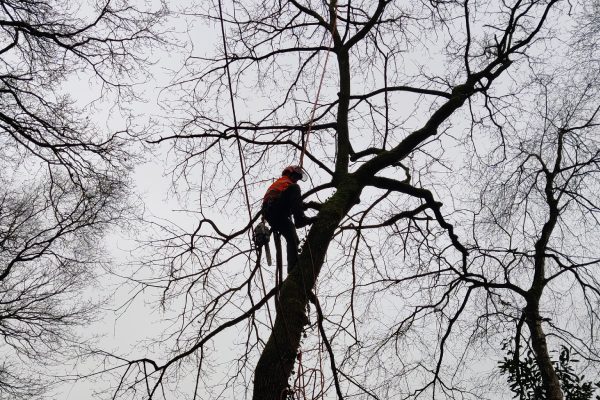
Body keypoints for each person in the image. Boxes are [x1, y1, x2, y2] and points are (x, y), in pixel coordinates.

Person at [262, 165, 315, 272]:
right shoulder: (285, 181)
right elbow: (290, 198)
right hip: (273, 207)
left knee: (293, 238)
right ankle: (300, 219)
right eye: (296, 177)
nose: (296, 181)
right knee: (295, 188)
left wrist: (305, 205)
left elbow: (293, 202)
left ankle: (292, 268)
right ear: (290, 174)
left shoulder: (288, 186)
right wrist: (302, 207)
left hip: (278, 215)